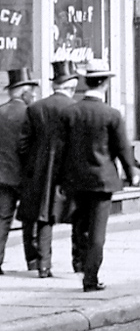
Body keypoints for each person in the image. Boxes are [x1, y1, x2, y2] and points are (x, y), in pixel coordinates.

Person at [59, 63, 136, 292]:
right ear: (105, 83)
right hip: (102, 181)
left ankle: (81, 264)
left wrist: (60, 178)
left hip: (75, 180)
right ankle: (90, 279)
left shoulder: (69, 113)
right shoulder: (111, 114)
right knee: (97, 232)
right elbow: (123, 148)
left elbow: (60, 149)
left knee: (80, 225)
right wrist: (132, 174)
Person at [23, 61, 78, 277]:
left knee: (44, 216)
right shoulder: (74, 109)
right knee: (77, 215)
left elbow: (23, 143)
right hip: (68, 170)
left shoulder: (35, 108)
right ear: (71, 86)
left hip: (41, 171)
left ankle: (43, 264)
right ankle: (79, 263)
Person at [0, 71, 37, 273]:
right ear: (23, 92)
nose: (32, 95)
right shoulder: (30, 113)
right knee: (29, 220)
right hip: (26, 176)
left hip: (3, 175)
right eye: (30, 91)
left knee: (2, 219)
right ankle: (32, 260)